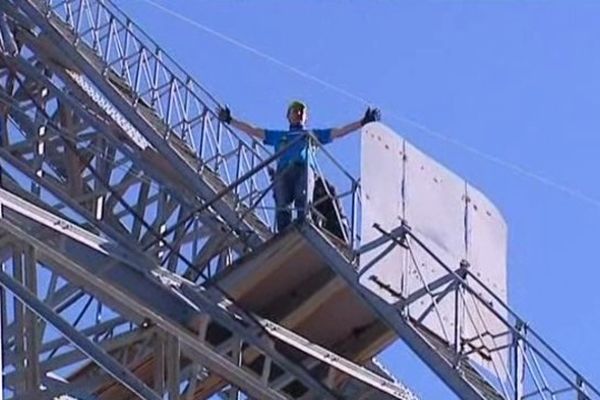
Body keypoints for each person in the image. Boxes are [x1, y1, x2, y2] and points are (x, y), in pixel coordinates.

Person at [217, 101, 380, 232]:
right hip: (284, 172)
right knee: (282, 205)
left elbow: (338, 132)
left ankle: (304, 224)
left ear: (305, 117)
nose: (298, 113)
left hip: (304, 169)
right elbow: (255, 131)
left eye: (302, 111)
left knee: (303, 201)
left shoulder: (311, 135)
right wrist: (231, 120)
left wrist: (362, 123)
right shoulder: (280, 136)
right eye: (295, 111)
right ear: (288, 116)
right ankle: (283, 233)